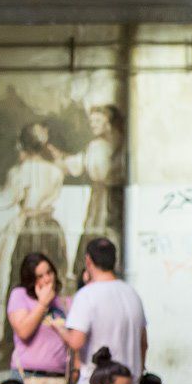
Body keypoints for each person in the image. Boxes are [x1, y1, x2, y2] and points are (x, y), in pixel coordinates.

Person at [0, 122, 68, 344]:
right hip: (50, 227)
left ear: (21, 144)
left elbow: (4, 200)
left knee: (20, 283)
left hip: (30, 229)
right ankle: (48, 337)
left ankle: (12, 341)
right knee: (50, 281)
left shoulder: (19, 172)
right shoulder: (56, 171)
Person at [62, 238, 147, 384]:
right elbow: (143, 343)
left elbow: (76, 341)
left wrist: (57, 327)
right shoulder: (132, 294)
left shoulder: (86, 295)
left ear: (88, 261)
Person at [64, 105, 126, 278]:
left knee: (99, 229)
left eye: (97, 121)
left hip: (105, 196)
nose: (93, 125)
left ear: (108, 122)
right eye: (91, 121)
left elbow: (93, 169)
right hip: (104, 194)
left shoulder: (100, 145)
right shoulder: (101, 144)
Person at [5, 252, 73, 384]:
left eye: (49, 273)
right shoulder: (20, 295)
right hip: (28, 376)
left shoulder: (63, 302)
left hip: (58, 382)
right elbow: (23, 331)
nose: (47, 279)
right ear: (31, 280)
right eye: (40, 276)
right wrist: (42, 304)